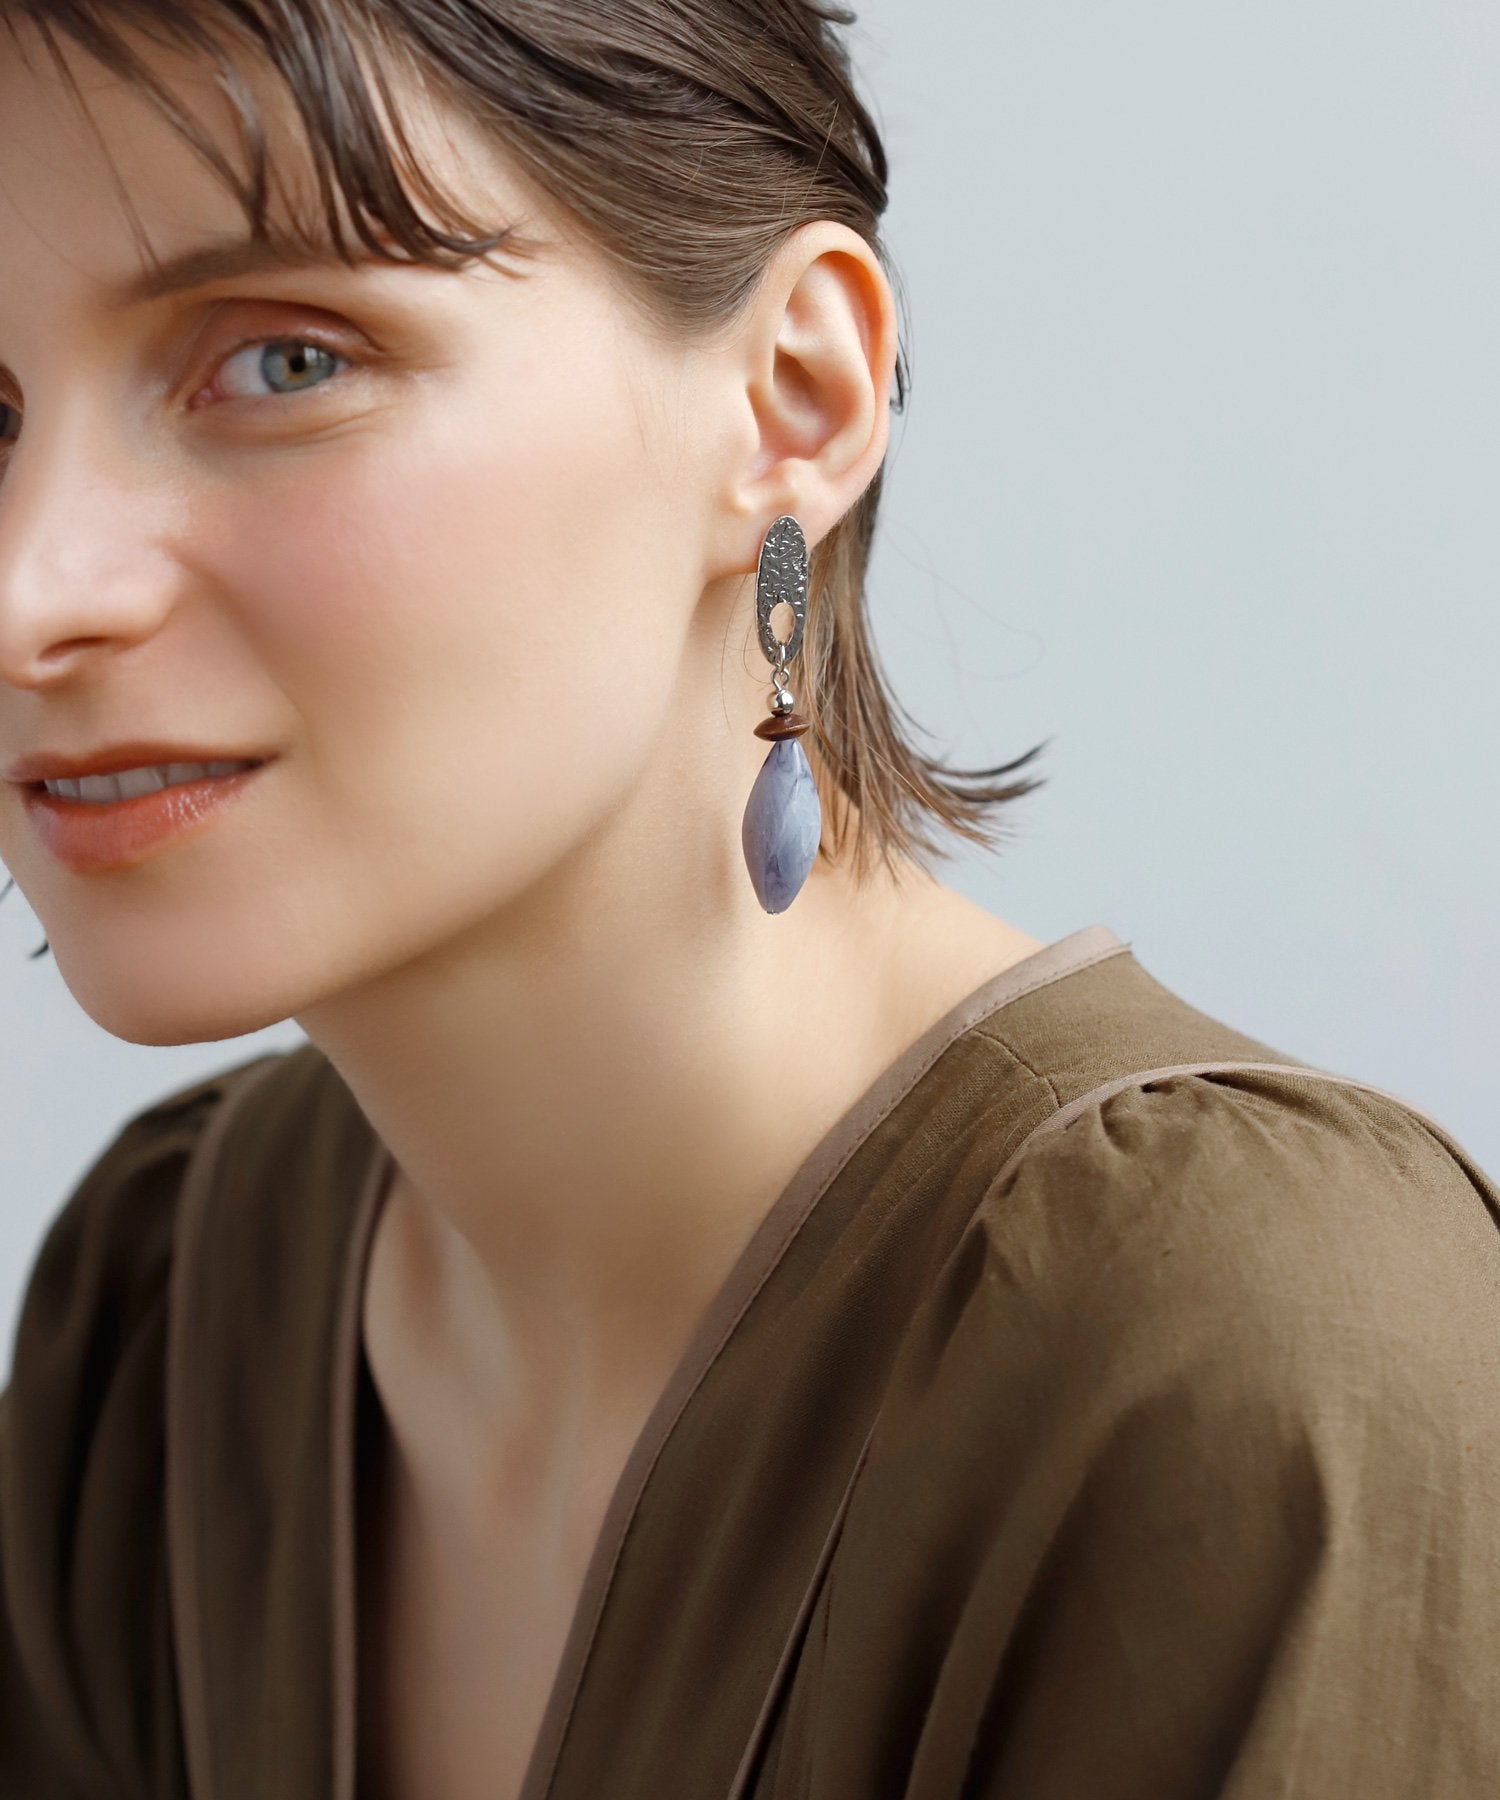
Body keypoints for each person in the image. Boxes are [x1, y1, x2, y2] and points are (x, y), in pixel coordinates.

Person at [0, 3, 1496, 1797]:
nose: (33, 593)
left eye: (284, 360)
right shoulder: (162, 1332)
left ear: (794, 399)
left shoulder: (1249, 1361)